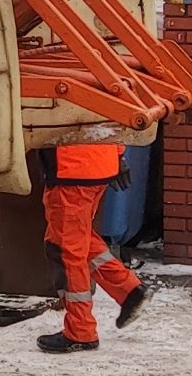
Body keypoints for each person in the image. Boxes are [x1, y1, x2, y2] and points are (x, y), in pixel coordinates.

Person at [36, 142, 148, 353]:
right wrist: (118, 155)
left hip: (72, 167)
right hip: (98, 163)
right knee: (77, 238)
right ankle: (128, 289)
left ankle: (80, 331)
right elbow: (114, 117)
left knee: (66, 250)